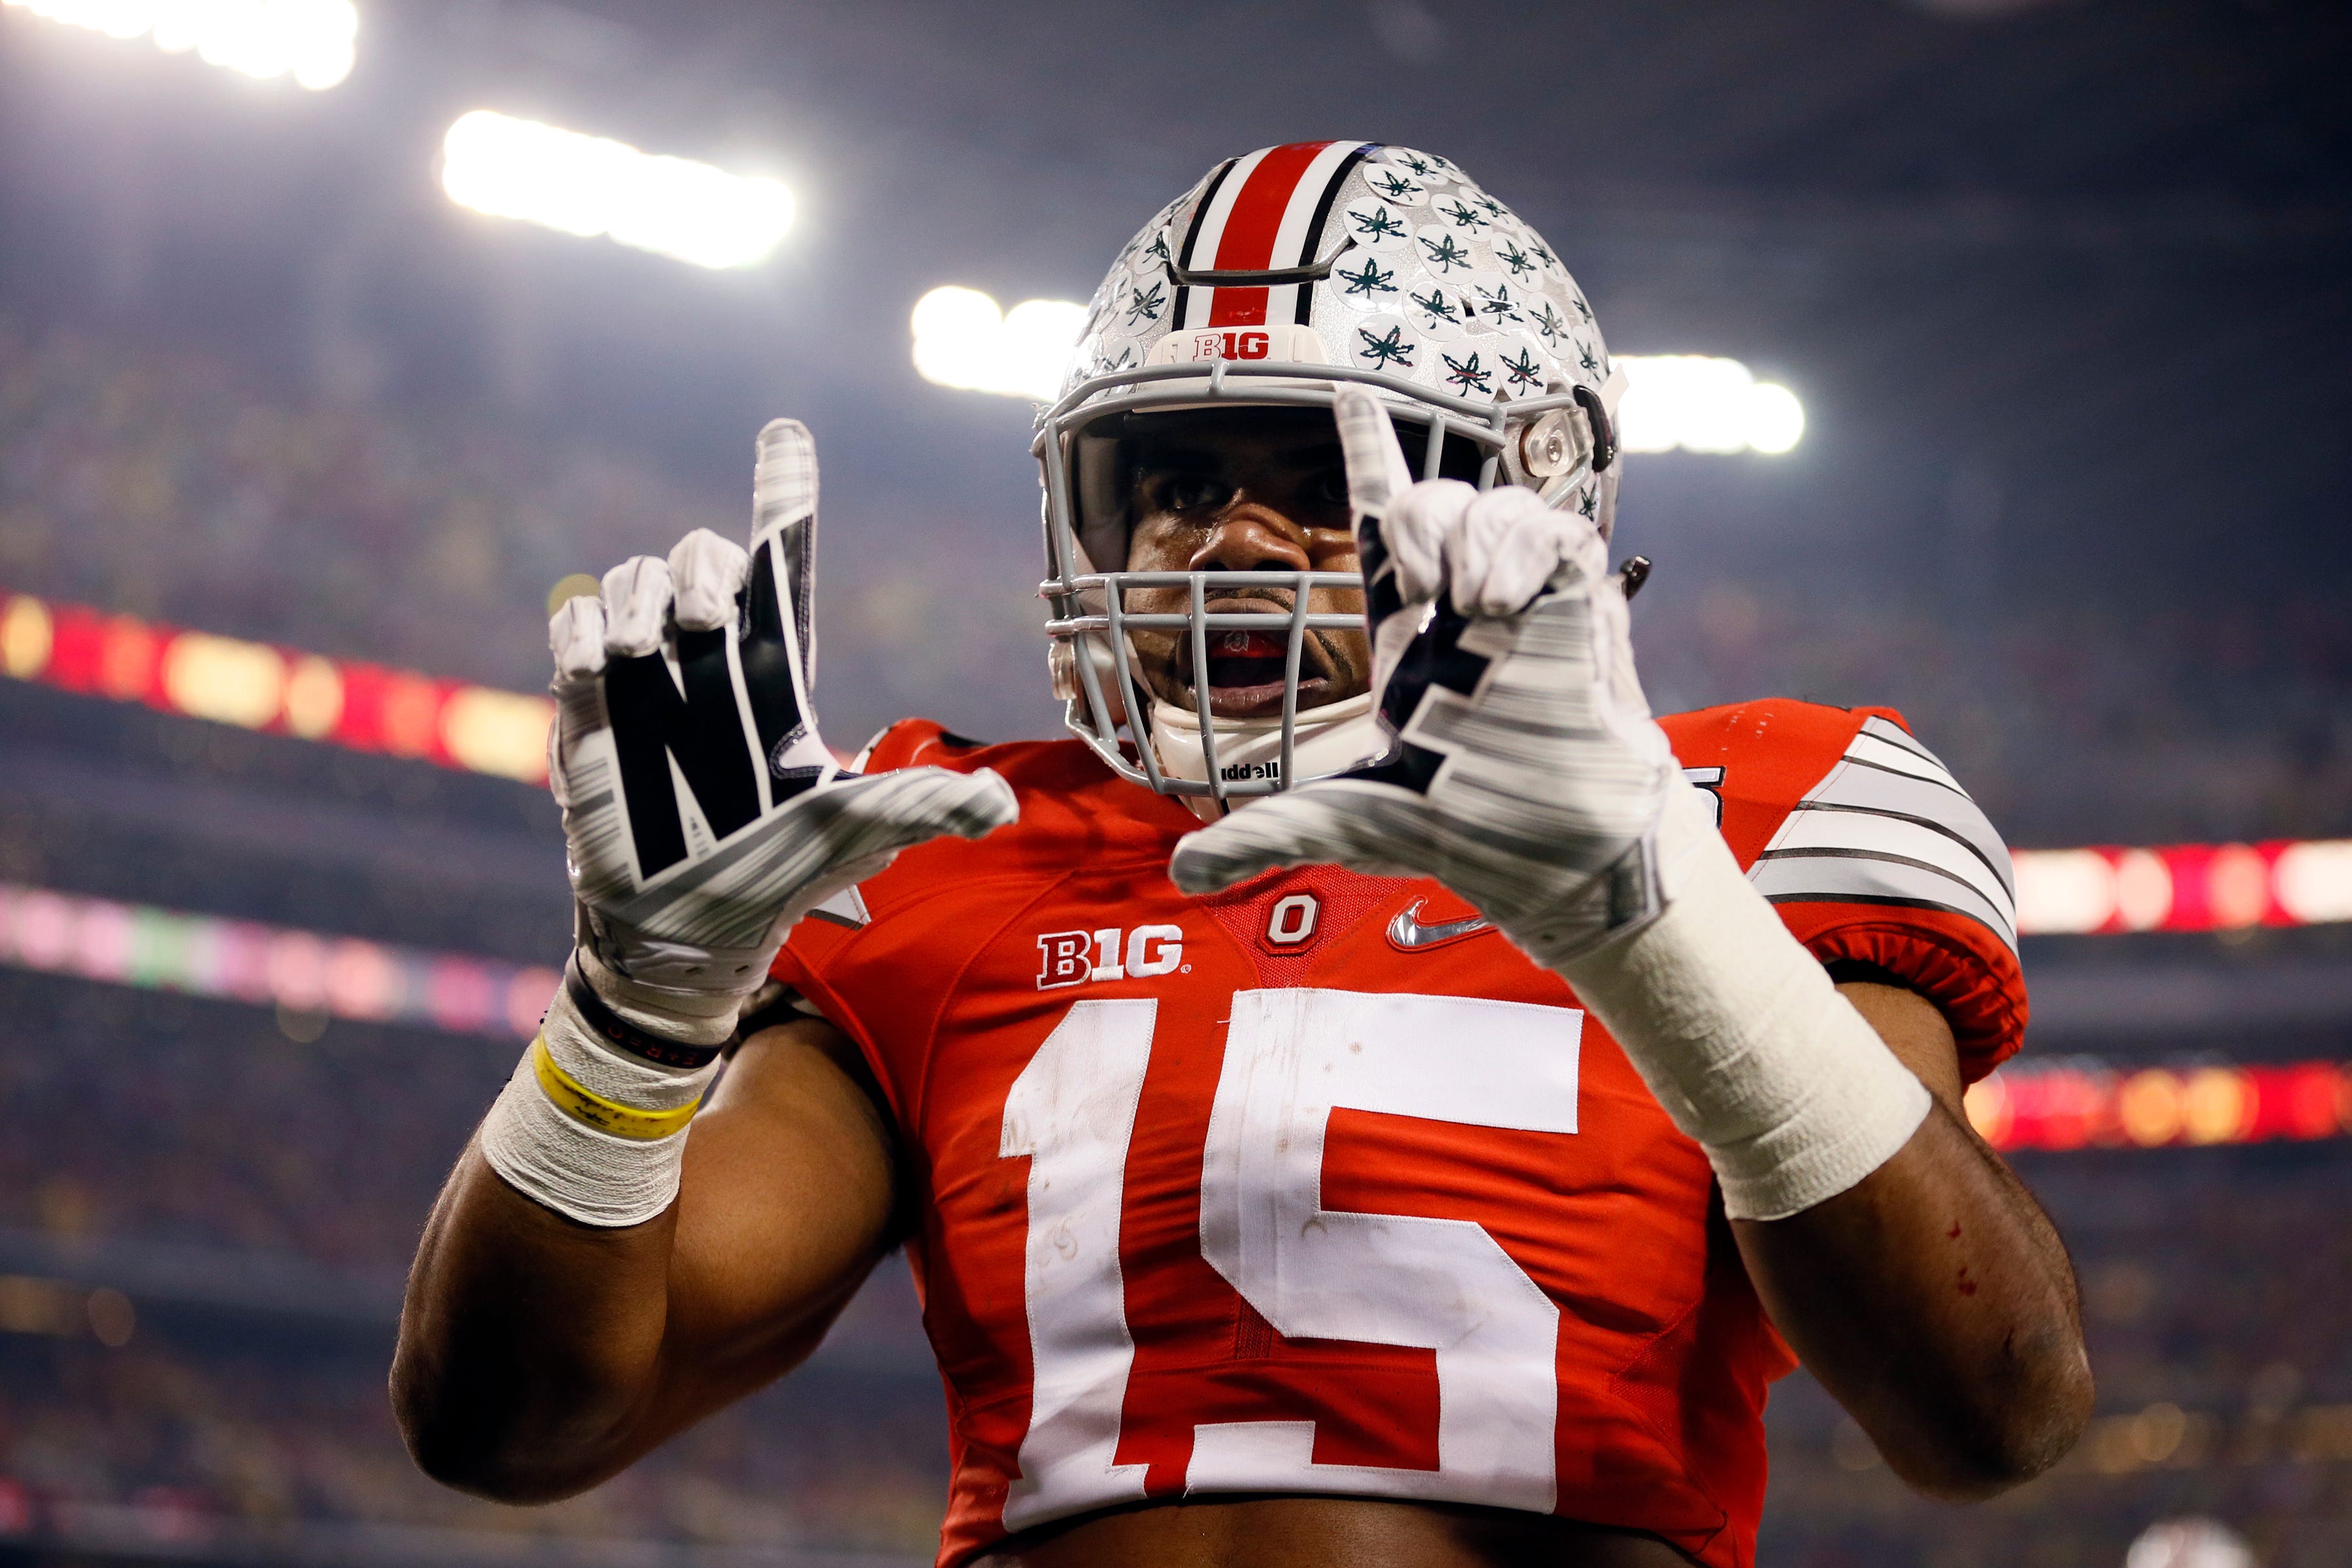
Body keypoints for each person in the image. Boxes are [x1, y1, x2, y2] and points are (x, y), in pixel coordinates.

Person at [392, 142, 2093, 1568]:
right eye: (1179, 480)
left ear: (1526, 492)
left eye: (1319, 476)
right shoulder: (956, 842)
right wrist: (630, 1019)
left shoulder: (1755, 808)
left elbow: (1990, 1405)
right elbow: (516, 1424)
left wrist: (1660, 927)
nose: (1230, 538)